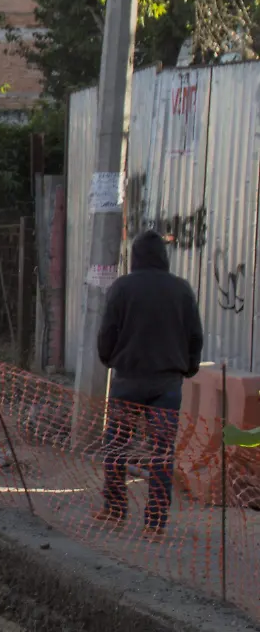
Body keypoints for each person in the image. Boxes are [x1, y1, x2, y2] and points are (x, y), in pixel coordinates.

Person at [95, 229, 204, 534]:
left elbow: (107, 333)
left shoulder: (122, 288)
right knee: (162, 453)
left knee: (116, 446)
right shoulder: (182, 290)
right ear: (163, 258)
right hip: (167, 386)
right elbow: (195, 336)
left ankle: (115, 509)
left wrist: (109, 360)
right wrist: (188, 368)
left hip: (128, 382)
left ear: (136, 258)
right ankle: (155, 524)